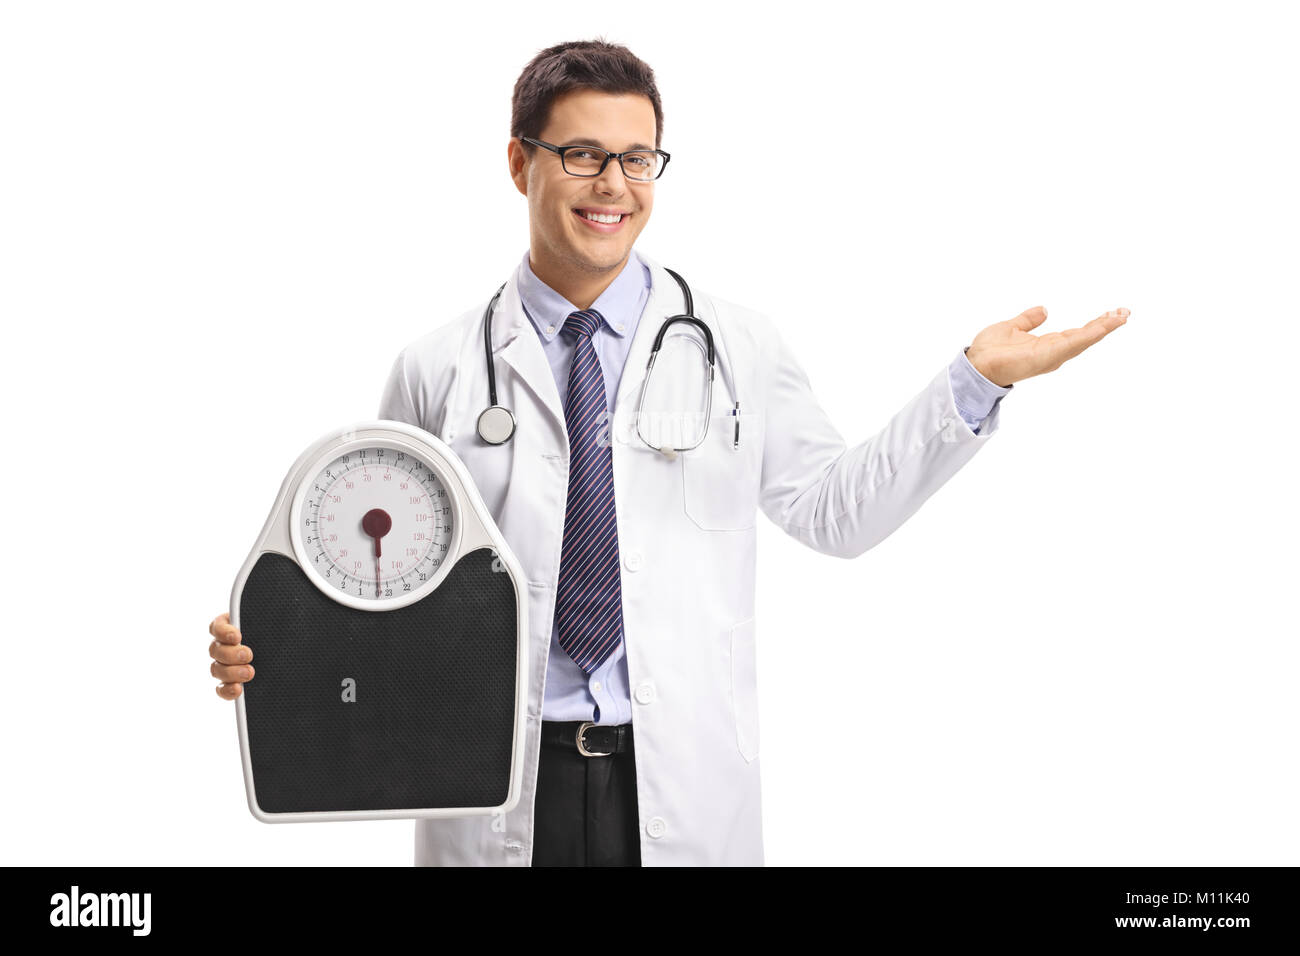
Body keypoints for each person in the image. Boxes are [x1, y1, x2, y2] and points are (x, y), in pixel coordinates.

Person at [208, 38, 1128, 866]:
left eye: (636, 158)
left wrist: (973, 382)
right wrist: (280, 649)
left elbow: (838, 515)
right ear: (521, 163)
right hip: (497, 785)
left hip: (678, 786)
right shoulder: (436, 369)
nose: (613, 184)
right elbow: (385, 593)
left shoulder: (739, 346)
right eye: (582, 155)